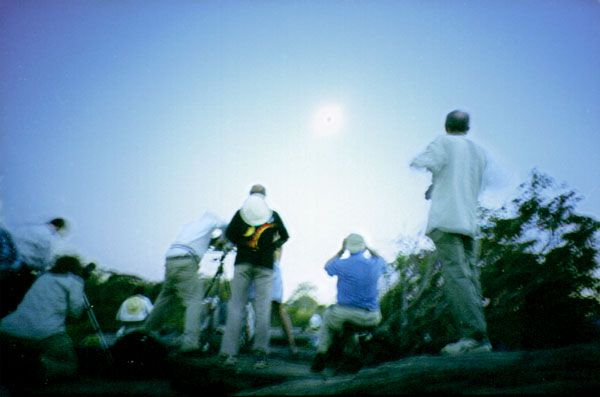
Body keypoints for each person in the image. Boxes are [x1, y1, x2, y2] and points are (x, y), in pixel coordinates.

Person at [410, 110, 492, 355]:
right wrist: (437, 185)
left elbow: (422, 161)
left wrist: (423, 168)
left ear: (446, 126)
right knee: (470, 277)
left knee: (456, 276)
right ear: (467, 128)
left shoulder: (443, 142)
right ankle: (481, 339)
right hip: (469, 222)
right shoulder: (478, 152)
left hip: (447, 220)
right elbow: (468, 180)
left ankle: (473, 337)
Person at [219, 184, 289, 369]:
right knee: (262, 309)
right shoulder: (273, 215)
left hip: (243, 262)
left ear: (250, 195)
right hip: (265, 265)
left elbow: (230, 235)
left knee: (236, 307)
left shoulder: (241, 213)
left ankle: (229, 353)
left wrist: (243, 242)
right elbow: (284, 236)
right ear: (265, 196)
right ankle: (260, 354)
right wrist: (272, 244)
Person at [144, 211, 227, 353]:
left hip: (171, 259)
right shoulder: (210, 222)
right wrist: (224, 240)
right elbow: (227, 226)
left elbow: (198, 244)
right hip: (186, 261)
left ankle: (147, 332)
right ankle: (191, 343)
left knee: (165, 298)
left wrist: (213, 243)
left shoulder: (191, 226)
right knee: (194, 300)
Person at [0, 255, 87, 384]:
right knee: (70, 365)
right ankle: (38, 367)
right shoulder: (75, 281)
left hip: (8, 328)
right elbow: (76, 312)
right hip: (47, 334)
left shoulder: (42, 277)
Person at [311, 233, 386, 372]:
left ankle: (321, 354)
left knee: (328, 316)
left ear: (348, 247)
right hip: (372, 316)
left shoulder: (341, 264)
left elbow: (327, 267)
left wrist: (341, 251)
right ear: (363, 247)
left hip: (345, 314)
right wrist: (368, 248)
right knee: (351, 319)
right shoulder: (375, 264)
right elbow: (382, 260)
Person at [0, 217, 69, 318]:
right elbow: (46, 261)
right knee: (7, 304)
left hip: (5, 261)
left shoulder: (28, 227)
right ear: (59, 227)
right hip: (20, 271)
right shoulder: (50, 237)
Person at [248, 248, 298, 355]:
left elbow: (276, 253)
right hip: (256, 271)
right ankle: (260, 346)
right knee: (258, 311)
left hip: (271, 271)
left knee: (278, 310)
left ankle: (291, 345)